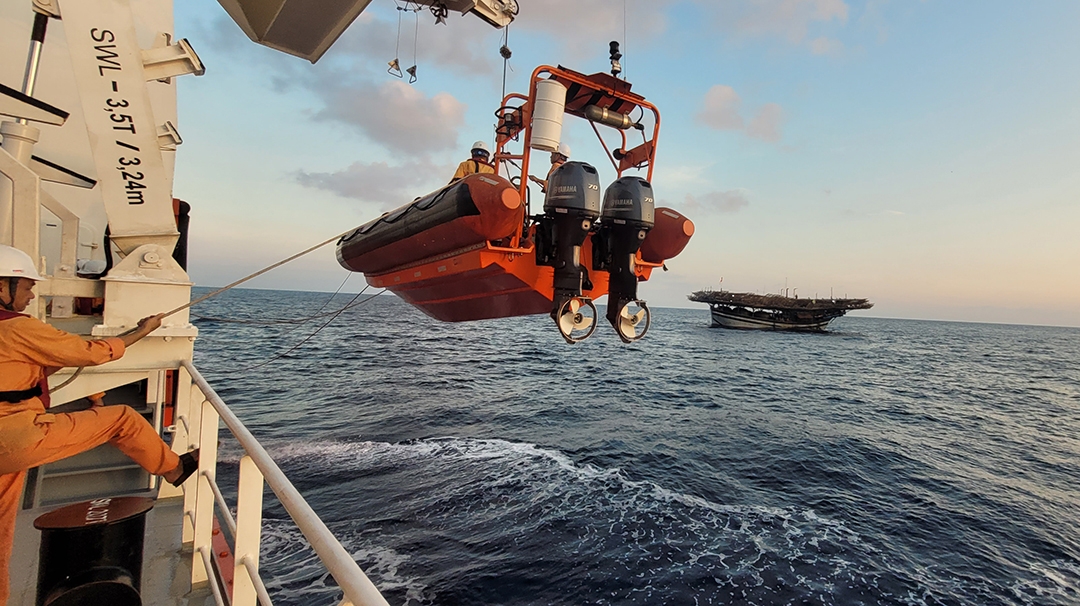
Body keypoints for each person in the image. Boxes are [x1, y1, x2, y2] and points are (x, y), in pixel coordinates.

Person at [0, 244, 198, 603]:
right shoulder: (18, 329)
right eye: (26, 287)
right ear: (2, 287)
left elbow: (20, 372)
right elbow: (91, 353)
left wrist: (90, 394)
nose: (31, 295)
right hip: (12, 436)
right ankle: (173, 469)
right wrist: (141, 330)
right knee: (122, 418)